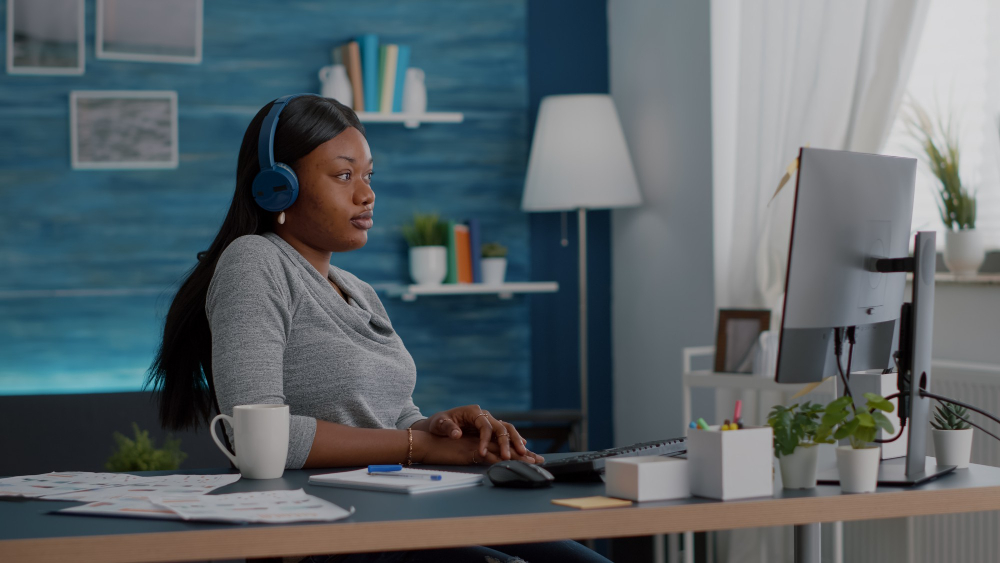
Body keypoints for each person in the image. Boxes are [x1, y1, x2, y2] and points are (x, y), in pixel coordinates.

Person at [147, 95, 612, 563]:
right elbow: (258, 439)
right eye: (344, 175)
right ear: (278, 188)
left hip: (398, 509)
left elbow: (394, 416)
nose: (366, 194)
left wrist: (438, 429)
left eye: (369, 176)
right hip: (324, 533)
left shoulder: (358, 290)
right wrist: (420, 445)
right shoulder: (255, 261)